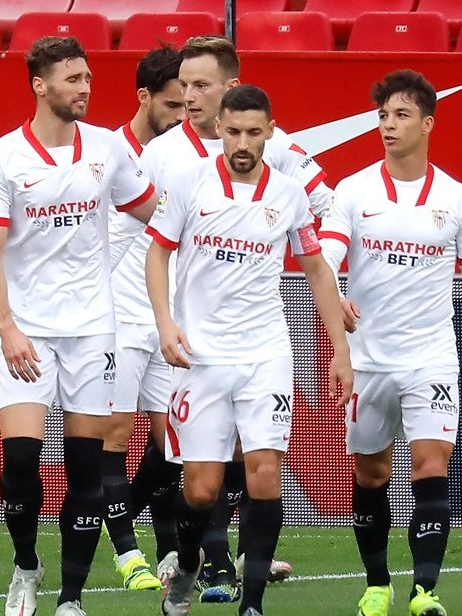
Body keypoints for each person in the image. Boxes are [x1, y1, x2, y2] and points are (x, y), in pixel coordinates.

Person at [146, 85, 353, 616]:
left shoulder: (288, 194)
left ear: (269, 132)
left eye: (253, 133)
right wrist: (166, 325)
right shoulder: (188, 183)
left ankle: (252, 604)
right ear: (219, 128)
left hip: (266, 353)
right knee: (200, 489)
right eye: (233, 131)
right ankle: (188, 564)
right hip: (201, 358)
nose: (242, 142)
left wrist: (340, 350)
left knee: (264, 472)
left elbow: (315, 268)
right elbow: (157, 256)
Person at [0, 35, 158, 616]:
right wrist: (6, 326)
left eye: (87, 78)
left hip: (93, 329)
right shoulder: (4, 156)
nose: (85, 88)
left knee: (86, 466)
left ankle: (71, 599)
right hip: (26, 330)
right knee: (22, 464)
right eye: (73, 79)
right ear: (40, 85)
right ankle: (26, 566)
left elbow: (157, 212)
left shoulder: (107, 149)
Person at [317, 70, 462, 616]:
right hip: (368, 360)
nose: (388, 125)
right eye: (382, 115)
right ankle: (377, 583)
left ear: (428, 122)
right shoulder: (352, 191)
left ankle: (424, 592)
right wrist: (335, 298)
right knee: (371, 473)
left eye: (401, 115)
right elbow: (325, 259)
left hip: (431, 358)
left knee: (431, 464)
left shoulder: (457, 199)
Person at [96, 43, 186, 592]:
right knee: (114, 434)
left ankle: (149, 533)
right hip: (117, 318)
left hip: (170, 316)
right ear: (144, 97)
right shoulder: (108, 155)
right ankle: (131, 555)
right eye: (173, 105)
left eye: (189, 104)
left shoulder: (196, 153)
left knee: (175, 440)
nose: (182, 116)